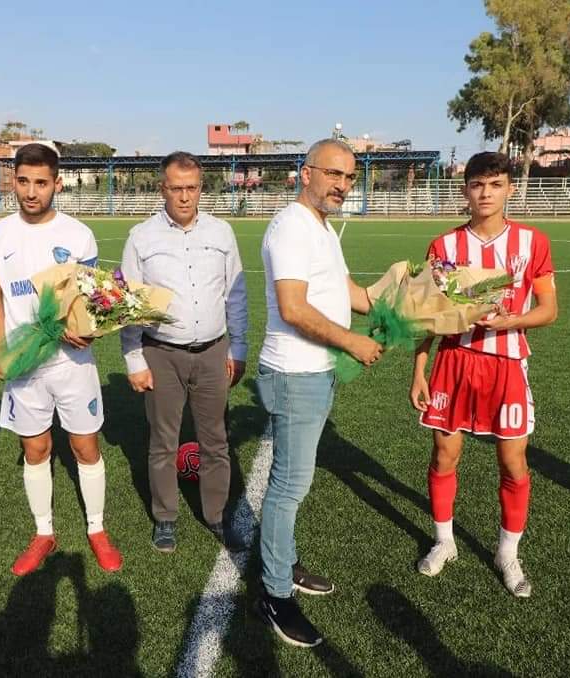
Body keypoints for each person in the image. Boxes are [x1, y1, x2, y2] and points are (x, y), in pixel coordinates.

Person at [410, 151, 559, 598]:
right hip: (454, 361)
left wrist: (512, 321)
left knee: (513, 462)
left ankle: (507, 553)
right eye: (477, 185)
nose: (486, 193)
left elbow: (549, 310)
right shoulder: (444, 247)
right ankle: (445, 542)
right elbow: (428, 315)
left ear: (510, 188)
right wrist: (419, 370)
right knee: (444, 455)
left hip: (506, 364)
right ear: (465, 191)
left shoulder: (532, 242)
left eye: (495, 185)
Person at [256, 139, 383, 647]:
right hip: (295, 374)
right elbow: (293, 308)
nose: (342, 185)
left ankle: (285, 564)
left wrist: (407, 285)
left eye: (349, 177)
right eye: (333, 174)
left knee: (293, 482)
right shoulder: (291, 226)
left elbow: (354, 295)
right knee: (289, 486)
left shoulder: (322, 228)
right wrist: (352, 341)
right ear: (305, 173)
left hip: (316, 370)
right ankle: (275, 593)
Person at [0, 142, 122, 575]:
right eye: (23, 181)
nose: (31, 191)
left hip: (72, 364)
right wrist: (0, 351)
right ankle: (44, 532)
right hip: (25, 364)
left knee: (85, 446)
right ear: (13, 181)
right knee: (36, 448)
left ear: (57, 184)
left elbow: (91, 301)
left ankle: (96, 528)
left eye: (41, 183)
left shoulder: (78, 235)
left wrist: (89, 329)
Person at [120, 151, 248, 553]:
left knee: (216, 441)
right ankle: (165, 517)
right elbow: (129, 303)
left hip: (213, 352)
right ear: (163, 188)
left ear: (201, 188)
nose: (184, 196)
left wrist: (239, 347)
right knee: (163, 442)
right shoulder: (141, 237)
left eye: (192, 188)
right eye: (176, 188)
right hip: (161, 354)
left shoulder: (222, 233)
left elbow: (235, 294)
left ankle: (217, 516)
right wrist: (134, 358)